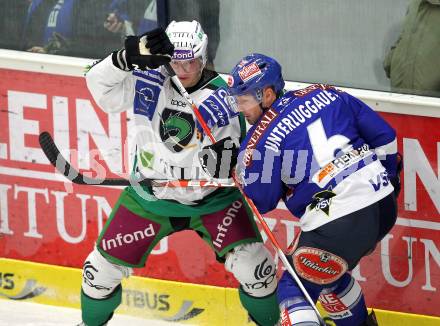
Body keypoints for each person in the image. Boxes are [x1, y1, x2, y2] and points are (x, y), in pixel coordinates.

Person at [79, 23, 280, 326]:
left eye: (192, 62)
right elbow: (96, 84)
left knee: (257, 270)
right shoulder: (145, 78)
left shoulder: (227, 97)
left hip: (213, 200)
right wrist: (125, 57)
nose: (184, 69)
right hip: (150, 199)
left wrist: (228, 164)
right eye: (176, 61)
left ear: (205, 57)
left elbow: (245, 155)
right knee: (98, 273)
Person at [227, 53, 402, 325]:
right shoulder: (327, 93)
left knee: (293, 288)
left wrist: (238, 170)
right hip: (384, 206)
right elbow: (386, 138)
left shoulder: (260, 137)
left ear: (268, 94)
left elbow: (263, 200)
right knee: (327, 272)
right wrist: (389, 183)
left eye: (244, 100)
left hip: (338, 222)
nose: (240, 108)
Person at [383, 0, 440, 97]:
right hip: (398, 98)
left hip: (430, 105)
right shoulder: (415, 4)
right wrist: (390, 62)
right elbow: (404, 36)